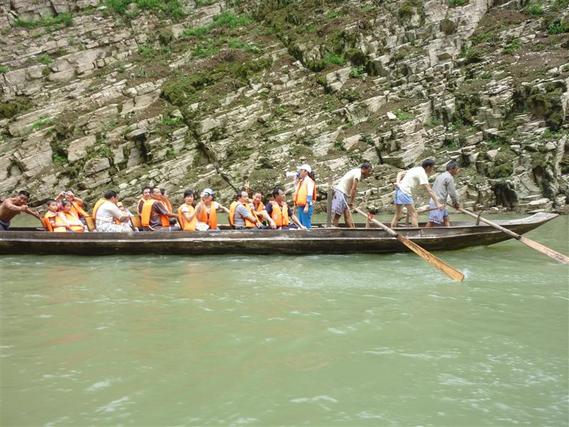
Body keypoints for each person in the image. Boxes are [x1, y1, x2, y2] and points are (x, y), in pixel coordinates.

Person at [390, 159, 444, 228]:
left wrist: (398, 183)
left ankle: (393, 231)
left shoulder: (416, 169)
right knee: (414, 214)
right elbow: (429, 190)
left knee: (397, 215)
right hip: (404, 192)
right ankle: (416, 234)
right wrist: (438, 203)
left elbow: (400, 173)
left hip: (398, 191)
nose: (432, 170)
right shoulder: (422, 174)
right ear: (428, 167)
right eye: (432, 168)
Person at [332, 162, 373, 228]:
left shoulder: (356, 171)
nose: (369, 173)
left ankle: (352, 230)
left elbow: (352, 188)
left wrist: (349, 200)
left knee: (347, 215)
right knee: (337, 216)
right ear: (364, 169)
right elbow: (353, 189)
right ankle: (332, 233)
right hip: (341, 193)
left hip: (344, 194)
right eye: (368, 171)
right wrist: (351, 202)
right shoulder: (358, 174)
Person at [427, 161, 461, 227]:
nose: (458, 171)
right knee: (432, 222)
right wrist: (456, 203)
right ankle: (423, 234)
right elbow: (452, 193)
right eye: (457, 169)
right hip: (438, 203)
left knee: (446, 219)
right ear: (452, 169)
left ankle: (450, 232)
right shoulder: (449, 178)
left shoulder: (441, 176)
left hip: (439, 202)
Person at [293, 164, 316, 229]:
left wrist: (307, 206)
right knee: (300, 224)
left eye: (301, 170)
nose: (299, 172)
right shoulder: (301, 181)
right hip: (300, 206)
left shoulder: (309, 181)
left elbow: (309, 194)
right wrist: (295, 181)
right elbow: (297, 192)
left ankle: (308, 238)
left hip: (306, 206)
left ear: (306, 172)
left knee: (306, 224)